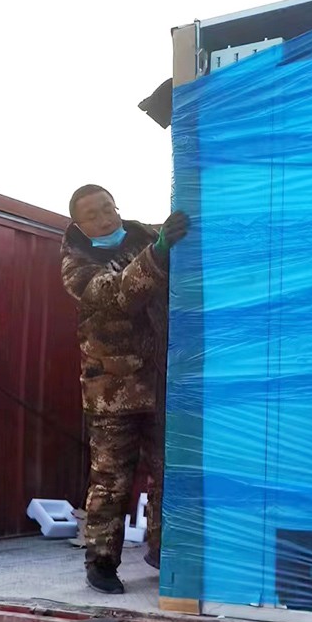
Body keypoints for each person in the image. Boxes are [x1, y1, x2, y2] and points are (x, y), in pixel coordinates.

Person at [61, 184, 188, 594]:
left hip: (161, 381)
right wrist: (159, 251)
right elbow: (119, 294)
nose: (105, 218)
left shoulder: (145, 236)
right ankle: (100, 562)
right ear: (79, 226)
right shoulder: (77, 266)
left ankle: (164, 550)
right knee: (111, 479)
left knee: (168, 472)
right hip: (113, 393)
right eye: (93, 215)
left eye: (108, 208)